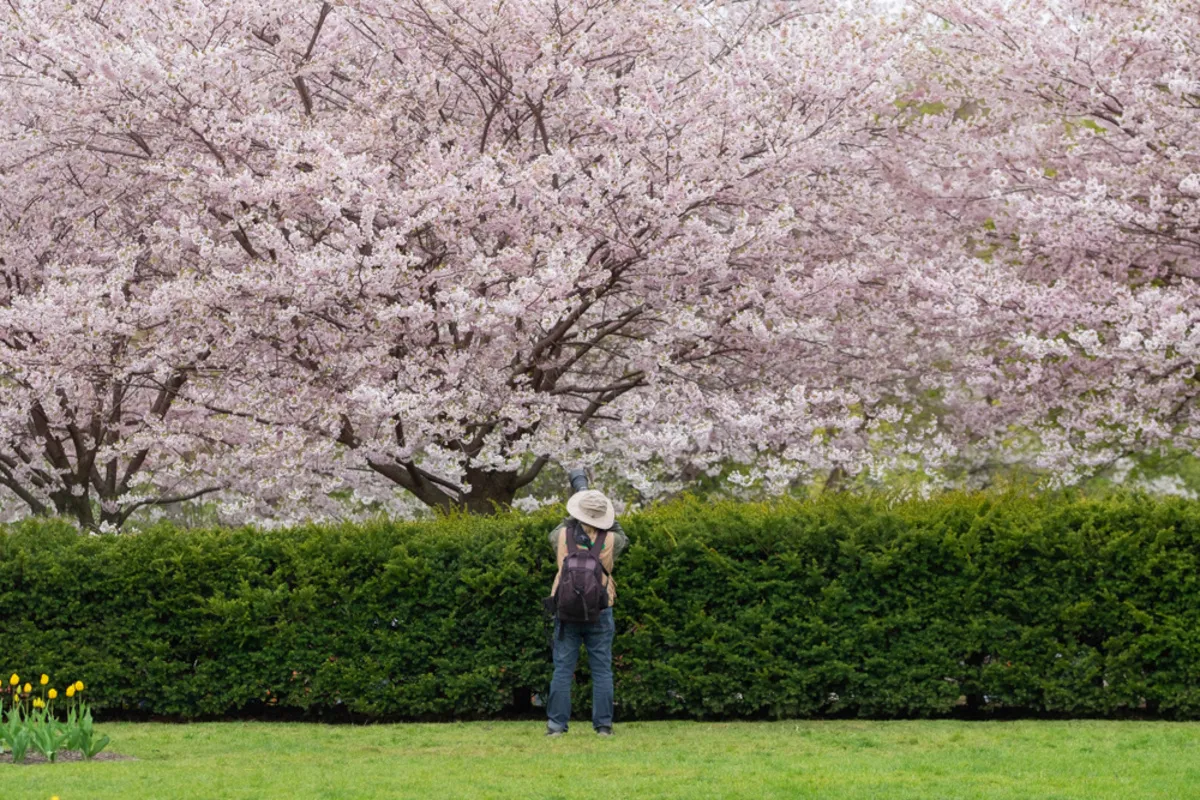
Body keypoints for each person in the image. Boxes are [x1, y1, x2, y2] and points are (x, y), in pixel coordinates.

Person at [545, 484, 627, 737]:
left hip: (566, 608)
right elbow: (619, 529)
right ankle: (603, 726)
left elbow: (561, 525)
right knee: (602, 668)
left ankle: (556, 726)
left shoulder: (560, 536)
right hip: (600, 608)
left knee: (563, 668)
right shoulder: (613, 539)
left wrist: (578, 496)